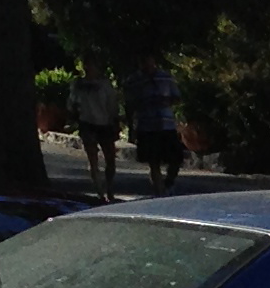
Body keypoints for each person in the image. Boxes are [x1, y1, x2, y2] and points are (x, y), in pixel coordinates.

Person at [129, 61, 186, 192]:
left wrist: (166, 101)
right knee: (153, 161)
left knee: (176, 158)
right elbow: (131, 102)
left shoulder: (165, 77)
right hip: (147, 125)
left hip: (166, 124)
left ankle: (169, 181)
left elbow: (177, 97)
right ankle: (160, 191)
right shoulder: (135, 80)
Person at [70, 62, 121, 200]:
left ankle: (109, 188)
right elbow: (72, 103)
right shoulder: (78, 85)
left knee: (110, 159)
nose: (89, 69)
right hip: (87, 123)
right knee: (93, 159)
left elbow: (112, 104)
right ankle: (100, 192)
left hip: (105, 123)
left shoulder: (105, 84)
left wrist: (114, 120)